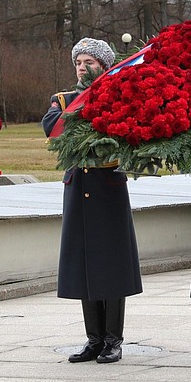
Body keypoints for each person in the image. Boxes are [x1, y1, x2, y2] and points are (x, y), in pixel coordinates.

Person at [42, 37, 142, 364]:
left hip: (107, 186)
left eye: (89, 62)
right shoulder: (64, 98)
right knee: (84, 264)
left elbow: (123, 132)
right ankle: (94, 338)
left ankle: (113, 338)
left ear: (104, 65)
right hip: (78, 186)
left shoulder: (119, 96)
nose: (82, 68)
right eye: (78, 63)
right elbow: (53, 128)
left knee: (111, 264)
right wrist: (82, 105)